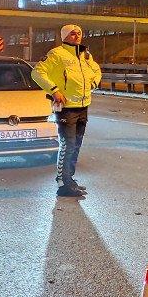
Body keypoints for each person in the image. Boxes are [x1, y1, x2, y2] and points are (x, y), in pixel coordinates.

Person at [32, 24, 102, 198]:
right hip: (66, 109)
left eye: (79, 33)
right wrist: (54, 90)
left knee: (76, 144)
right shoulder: (56, 54)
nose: (76, 36)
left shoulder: (85, 54)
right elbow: (37, 73)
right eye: (72, 33)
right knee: (67, 145)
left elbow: (96, 70)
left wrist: (93, 83)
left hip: (83, 105)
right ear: (64, 36)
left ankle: (69, 179)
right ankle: (63, 183)